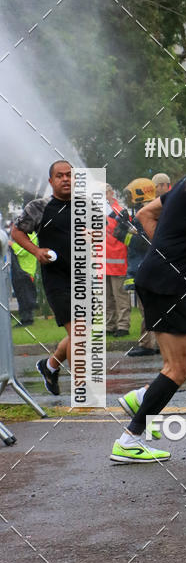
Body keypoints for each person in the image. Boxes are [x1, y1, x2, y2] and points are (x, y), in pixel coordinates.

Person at [110, 126, 186, 464]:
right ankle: (129, 440)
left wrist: (166, 252)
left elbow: (145, 213)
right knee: (177, 368)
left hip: (168, 281)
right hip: (166, 284)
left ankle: (144, 396)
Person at [12, 161, 72, 395]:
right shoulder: (39, 207)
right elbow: (17, 232)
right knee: (79, 335)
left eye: (69, 175)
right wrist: (36, 251)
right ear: (51, 181)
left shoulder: (84, 206)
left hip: (83, 278)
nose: (65, 179)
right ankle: (84, 391)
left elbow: (99, 234)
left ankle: (50, 366)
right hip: (56, 279)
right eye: (60, 176)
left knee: (82, 334)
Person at [113, 178, 160, 357]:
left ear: (140, 193)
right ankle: (159, 343)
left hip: (146, 269)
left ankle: (148, 345)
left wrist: (122, 234)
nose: (128, 198)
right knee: (150, 308)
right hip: (146, 268)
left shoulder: (146, 212)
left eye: (130, 194)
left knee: (147, 308)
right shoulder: (152, 209)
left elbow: (143, 242)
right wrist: (123, 223)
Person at [105, 184, 130, 337]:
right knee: (106, 298)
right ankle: (110, 325)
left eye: (104, 193)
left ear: (111, 193)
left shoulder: (120, 212)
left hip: (118, 261)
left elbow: (127, 236)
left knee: (120, 296)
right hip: (103, 263)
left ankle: (123, 326)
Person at [9, 223, 38, 326]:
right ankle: (25, 318)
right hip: (21, 271)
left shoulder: (31, 235)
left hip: (25, 271)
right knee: (22, 296)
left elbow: (23, 251)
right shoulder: (26, 234)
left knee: (25, 296)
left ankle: (27, 320)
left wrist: (11, 244)